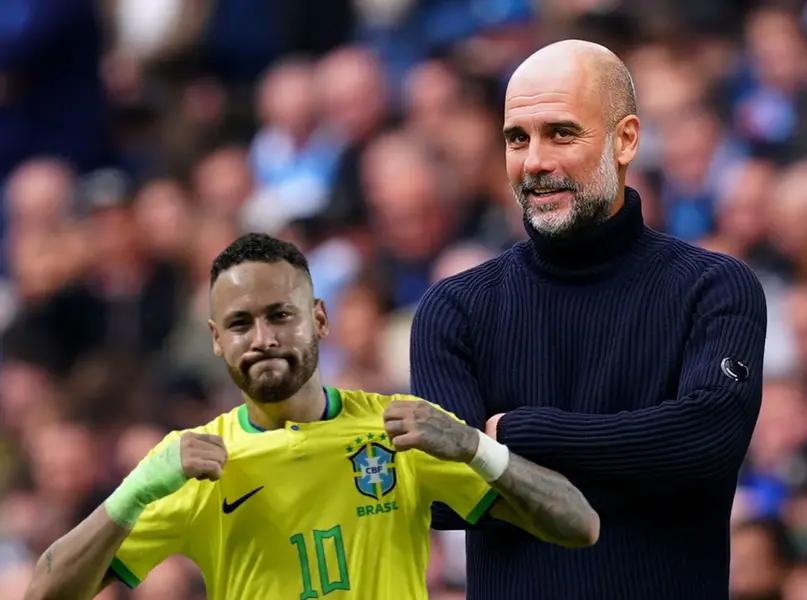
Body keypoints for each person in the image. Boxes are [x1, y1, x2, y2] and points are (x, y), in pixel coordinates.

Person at [24, 233, 600, 599]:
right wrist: (134, 493)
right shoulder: (197, 464)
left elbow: (579, 525)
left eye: (282, 315)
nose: (264, 339)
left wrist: (477, 447)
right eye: (241, 324)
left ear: (319, 319)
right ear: (216, 341)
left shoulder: (400, 431)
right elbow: (45, 593)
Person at [412, 39, 768, 598]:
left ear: (625, 139)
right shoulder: (455, 309)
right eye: (516, 139)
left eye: (561, 133)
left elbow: (706, 441)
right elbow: (445, 495)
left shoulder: (713, 287)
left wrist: (515, 435)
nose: (535, 162)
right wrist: (643, 458)